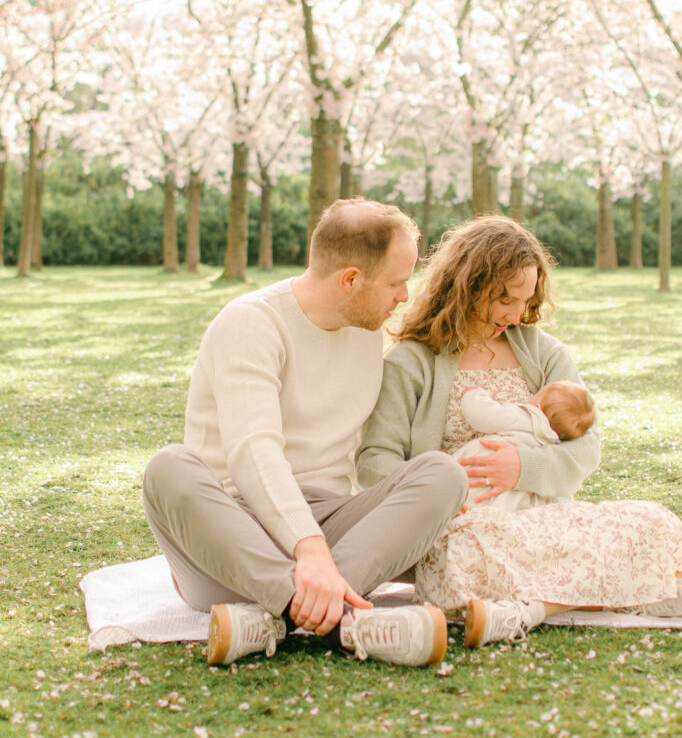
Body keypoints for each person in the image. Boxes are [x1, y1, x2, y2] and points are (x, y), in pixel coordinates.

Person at [356, 215, 682, 649]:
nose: (516, 314)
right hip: (462, 528)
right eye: (503, 299)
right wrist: (437, 504)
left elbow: (587, 449)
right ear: (465, 285)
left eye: (525, 301)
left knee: (657, 524)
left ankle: (527, 609)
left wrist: (522, 467)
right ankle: (625, 591)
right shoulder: (411, 363)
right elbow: (377, 462)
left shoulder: (544, 353)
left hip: (542, 518)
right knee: (458, 558)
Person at [142, 198, 468, 668]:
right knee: (168, 468)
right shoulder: (251, 322)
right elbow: (254, 453)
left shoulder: (365, 325)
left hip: (331, 527)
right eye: (396, 283)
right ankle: (341, 618)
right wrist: (308, 550)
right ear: (350, 279)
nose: (405, 296)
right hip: (232, 539)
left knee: (442, 474)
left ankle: (278, 618)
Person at [453, 380, 595, 511]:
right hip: (519, 500)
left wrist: (472, 394)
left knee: (474, 490)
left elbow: (483, 416)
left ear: (538, 407)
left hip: (483, 478)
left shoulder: (524, 417)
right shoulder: (554, 441)